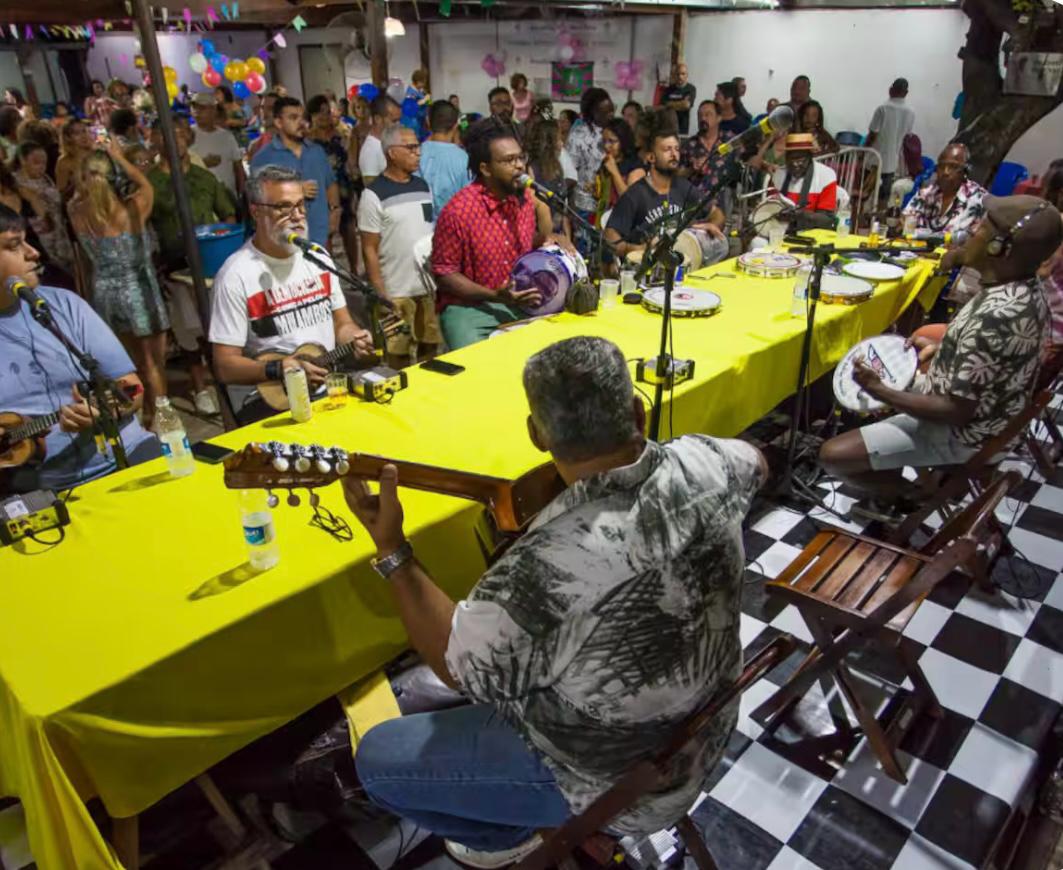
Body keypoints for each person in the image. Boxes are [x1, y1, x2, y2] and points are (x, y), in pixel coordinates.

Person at [347, 334, 767, 867]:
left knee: (379, 760)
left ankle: (503, 838)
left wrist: (393, 551)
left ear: (536, 435)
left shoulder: (544, 566)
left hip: (621, 785)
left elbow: (460, 669)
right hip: (708, 727)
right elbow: (759, 461)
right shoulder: (711, 459)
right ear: (638, 412)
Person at [819, 195, 1062, 520]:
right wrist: (946, 352)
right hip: (989, 415)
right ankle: (910, 478)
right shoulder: (1023, 288)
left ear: (999, 248)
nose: (971, 232)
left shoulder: (997, 314)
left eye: (980, 228)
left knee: (832, 454)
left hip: (968, 433)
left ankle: (914, 495)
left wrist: (881, 391)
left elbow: (955, 411)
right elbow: (989, 363)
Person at [0, 204, 160, 495]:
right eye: (13, 245)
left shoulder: (63, 304)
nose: (32, 252)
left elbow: (133, 390)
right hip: (40, 488)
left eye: (26, 240)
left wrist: (105, 410)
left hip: (128, 451)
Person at [210, 165, 375, 424]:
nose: (297, 216)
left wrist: (354, 337)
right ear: (256, 211)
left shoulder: (317, 257)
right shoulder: (236, 275)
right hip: (272, 403)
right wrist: (278, 368)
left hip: (328, 392)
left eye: (301, 205)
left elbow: (341, 323)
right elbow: (224, 366)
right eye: (283, 208)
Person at [430, 120, 567, 350]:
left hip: (519, 301)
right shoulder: (458, 212)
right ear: (485, 169)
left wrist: (549, 239)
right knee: (478, 367)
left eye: (520, 158)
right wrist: (495, 295)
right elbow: (445, 274)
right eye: (508, 160)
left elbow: (523, 247)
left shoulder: (523, 201)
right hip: (468, 308)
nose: (519, 166)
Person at [68, 143, 169, 429]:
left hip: (105, 294)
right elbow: (145, 183)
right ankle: (159, 418)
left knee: (129, 365)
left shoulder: (76, 212)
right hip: (139, 290)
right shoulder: (131, 208)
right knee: (153, 364)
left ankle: (144, 418)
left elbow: (83, 261)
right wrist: (118, 156)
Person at [359, 125, 440, 367]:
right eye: (411, 147)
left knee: (430, 349)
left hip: (426, 286)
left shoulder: (422, 186)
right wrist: (380, 291)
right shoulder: (373, 195)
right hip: (395, 291)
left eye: (418, 147)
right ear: (392, 152)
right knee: (397, 355)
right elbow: (369, 247)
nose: (418, 153)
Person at [605, 116, 727, 264]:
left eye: (676, 149)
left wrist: (712, 225)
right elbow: (610, 237)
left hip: (679, 264)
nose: (674, 154)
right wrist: (637, 248)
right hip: (647, 268)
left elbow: (717, 213)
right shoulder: (636, 194)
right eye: (667, 149)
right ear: (651, 157)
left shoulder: (683, 187)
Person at [147, 118, 238, 270]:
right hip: (172, 266)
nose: (176, 140)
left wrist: (223, 248)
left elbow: (228, 214)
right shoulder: (149, 182)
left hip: (210, 260)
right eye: (168, 135)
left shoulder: (204, 177)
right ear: (154, 139)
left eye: (180, 135)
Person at [251, 96, 339, 250]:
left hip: (319, 236)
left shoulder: (316, 152)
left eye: (302, 117)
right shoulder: (263, 158)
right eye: (293, 118)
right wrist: (296, 190)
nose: (301, 123)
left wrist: (335, 212)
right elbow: (257, 200)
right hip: (286, 241)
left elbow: (330, 184)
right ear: (279, 122)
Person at [903, 142, 987, 303]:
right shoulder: (927, 193)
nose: (946, 172)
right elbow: (906, 222)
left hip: (954, 271)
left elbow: (977, 244)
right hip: (919, 263)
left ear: (965, 171)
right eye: (942, 167)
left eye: (953, 167)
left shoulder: (979, 199)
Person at [307, 93, 359, 273]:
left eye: (327, 112)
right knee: (325, 230)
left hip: (342, 185)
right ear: (312, 115)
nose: (324, 116)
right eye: (319, 112)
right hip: (319, 187)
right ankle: (329, 273)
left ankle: (354, 271)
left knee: (348, 226)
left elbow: (350, 160)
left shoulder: (342, 134)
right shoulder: (307, 140)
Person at [12, 142, 75, 277]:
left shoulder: (45, 178)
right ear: (23, 160)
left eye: (44, 163)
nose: (41, 167)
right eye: (36, 163)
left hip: (59, 232)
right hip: (39, 238)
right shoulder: (15, 182)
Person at [566, 88, 615, 219]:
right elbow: (570, 171)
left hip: (611, 202)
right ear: (593, 112)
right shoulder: (578, 136)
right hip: (585, 204)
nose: (611, 115)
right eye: (606, 112)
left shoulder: (615, 131)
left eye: (612, 110)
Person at [866, 78, 915, 202]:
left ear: (891, 90)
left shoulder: (882, 109)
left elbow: (873, 135)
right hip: (893, 161)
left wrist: (863, 152)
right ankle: (878, 218)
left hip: (875, 160)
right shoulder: (910, 112)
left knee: (866, 193)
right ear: (906, 93)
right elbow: (907, 137)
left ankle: (863, 218)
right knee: (884, 196)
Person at [189, 92, 245, 199]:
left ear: (213, 110)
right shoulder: (187, 135)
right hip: (200, 199)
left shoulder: (226, 136)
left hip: (228, 198)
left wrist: (242, 194)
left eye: (202, 108)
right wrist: (203, 163)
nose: (197, 111)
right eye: (194, 107)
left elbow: (238, 167)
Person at [417, 100, 469, 216]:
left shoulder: (415, 154)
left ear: (428, 122)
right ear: (456, 125)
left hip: (420, 227)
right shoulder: (464, 158)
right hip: (452, 227)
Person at [767, 133, 838, 214]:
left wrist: (799, 216)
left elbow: (826, 217)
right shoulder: (778, 174)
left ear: (810, 157)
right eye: (790, 159)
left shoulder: (826, 176)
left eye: (800, 160)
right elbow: (770, 207)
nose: (795, 164)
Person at [526, 118, 572, 239]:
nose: (562, 143)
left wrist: (567, 237)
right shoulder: (531, 169)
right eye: (558, 138)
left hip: (559, 233)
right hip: (542, 236)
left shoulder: (557, 167)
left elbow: (563, 208)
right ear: (549, 143)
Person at [594, 118, 643, 228]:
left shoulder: (635, 167)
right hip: (604, 221)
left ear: (623, 141)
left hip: (625, 226)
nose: (606, 146)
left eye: (612, 141)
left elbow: (630, 201)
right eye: (604, 141)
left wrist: (615, 172)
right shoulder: (607, 162)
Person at [680, 100, 733, 198]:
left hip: (721, 204)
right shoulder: (688, 145)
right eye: (699, 115)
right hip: (694, 204)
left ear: (719, 118)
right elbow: (677, 176)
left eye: (708, 114)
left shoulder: (729, 141)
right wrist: (692, 169)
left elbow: (745, 159)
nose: (703, 118)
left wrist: (764, 165)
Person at [359, 94, 402, 185]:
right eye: (394, 121)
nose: (399, 125)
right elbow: (372, 190)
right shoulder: (370, 152)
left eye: (399, 120)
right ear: (378, 119)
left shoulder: (389, 142)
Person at [55, 118, 94, 198]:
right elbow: (61, 192)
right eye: (77, 133)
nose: (83, 136)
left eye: (84, 131)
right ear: (67, 138)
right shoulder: (64, 162)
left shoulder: (95, 154)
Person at [659, 63, 696, 137]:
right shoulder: (668, 90)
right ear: (674, 75)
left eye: (683, 74)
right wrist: (680, 104)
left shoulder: (690, 89)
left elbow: (686, 105)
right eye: (678, 74)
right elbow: (662, 107)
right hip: (667, 127)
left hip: (682, 128)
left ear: (687, 75)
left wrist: (669, 104)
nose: (680, 77)